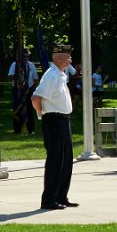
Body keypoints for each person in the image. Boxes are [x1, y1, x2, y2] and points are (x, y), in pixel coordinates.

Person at [31, 44, 78, 210]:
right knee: (55, 160)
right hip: (54, 120)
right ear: (60, 58)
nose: (71, 60)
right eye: (69, 57)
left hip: (63, 120)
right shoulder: (51, 76)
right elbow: (36, 98)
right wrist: (41, 113)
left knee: (66, 161)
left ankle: (61, 196)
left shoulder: (61, 75)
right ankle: (48, 199)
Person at [8, 49, 38, 134]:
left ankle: (31, 129)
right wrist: (18, 73)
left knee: (29, 110)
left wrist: (34, 89)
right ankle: (18, 130)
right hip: (18, 90)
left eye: (27, 56)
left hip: (29, 90)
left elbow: (35, 79)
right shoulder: (15, 64)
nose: (26, 58)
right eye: (24, 56)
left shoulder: (31, 65)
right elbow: (10, 76)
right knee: (17, 109)